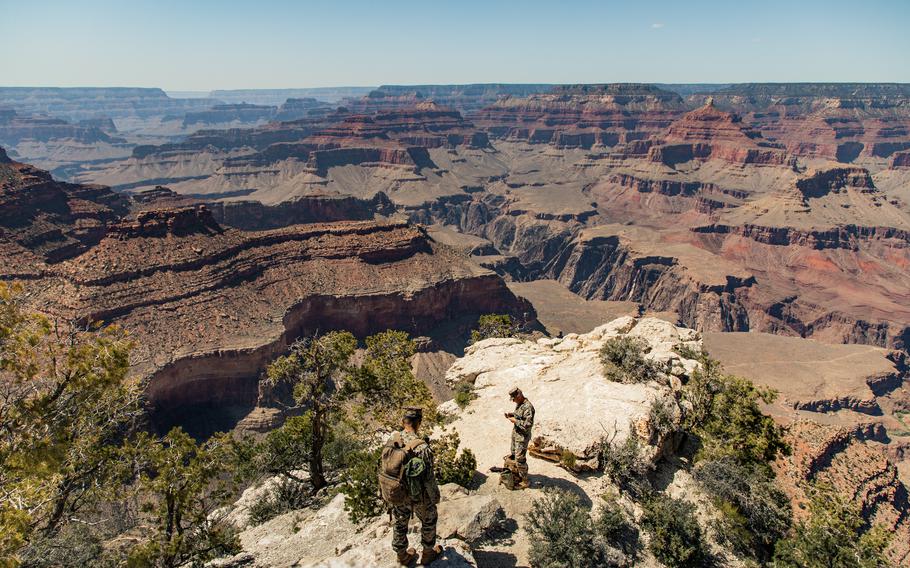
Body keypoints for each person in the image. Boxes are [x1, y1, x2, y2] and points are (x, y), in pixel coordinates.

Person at [389, 407, 442, 566]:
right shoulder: (422, 447)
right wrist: (435, 496)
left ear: (403, 422)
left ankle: (402, 555)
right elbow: (428, 478)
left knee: (400, 522)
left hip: (397, 492)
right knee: (429, 519)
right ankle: (427, 553)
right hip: (417, 496)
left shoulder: (393, 440)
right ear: (418, 423)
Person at [505, 387, 534, 489]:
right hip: (516, 434)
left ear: (519, 395)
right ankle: (517, 473)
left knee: (520, 459)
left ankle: (525, 480)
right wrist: (511, 414)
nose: (513, 401)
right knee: (513, 453)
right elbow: (519, 415)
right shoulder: (520, 404)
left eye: (514, 399)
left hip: (522, 436)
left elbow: (528, 424)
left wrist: (515, 421)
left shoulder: (528, 407)